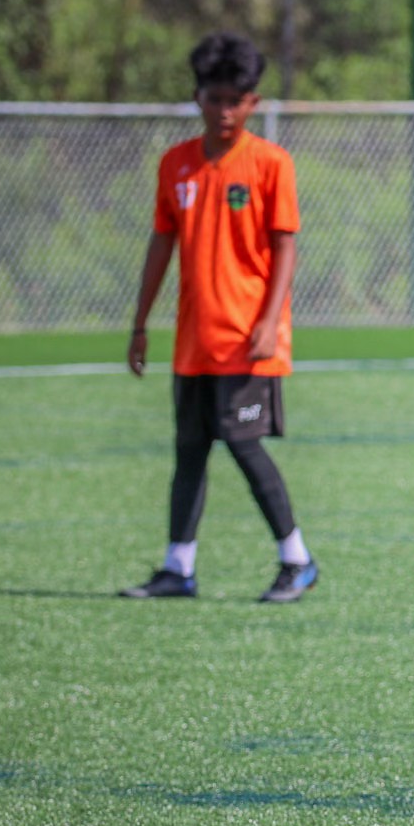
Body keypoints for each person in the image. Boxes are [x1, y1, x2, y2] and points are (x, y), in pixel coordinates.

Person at [121, 31, 317, 604]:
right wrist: (139, 324)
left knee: (245, 443)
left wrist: (267, 320)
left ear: (253, 102)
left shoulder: (270, 164)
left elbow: (285, 246)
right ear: (197, 97)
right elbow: (161, 244)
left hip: (249, 342)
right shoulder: (176, 165)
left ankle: (297, 560)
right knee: (189, 451)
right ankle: (178, 568)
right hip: (194, 342)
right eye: (216, 98)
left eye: (238, 99)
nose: (226, 110)